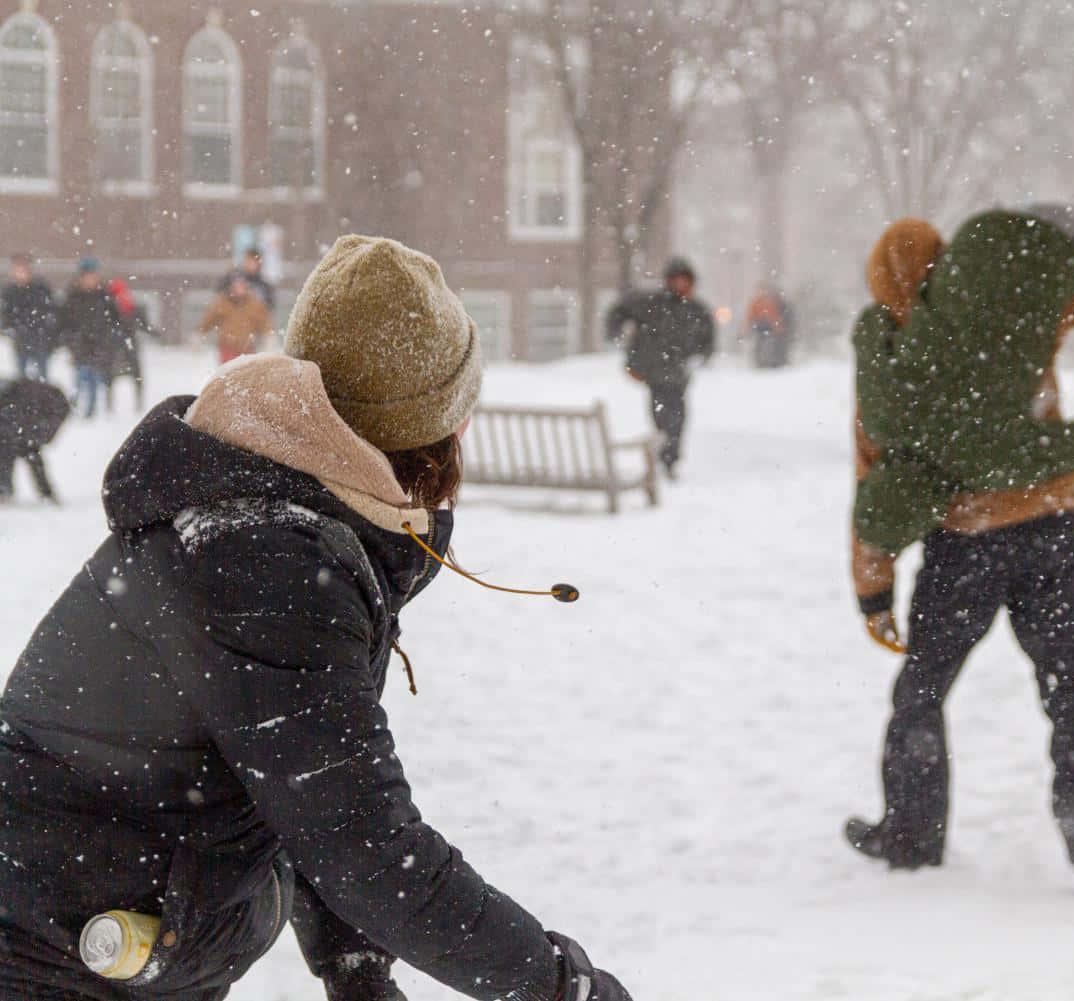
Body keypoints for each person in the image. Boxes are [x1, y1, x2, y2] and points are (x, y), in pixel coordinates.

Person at [0, 236, 631, 1001]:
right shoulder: (270, 556)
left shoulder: (295, 510)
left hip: (102, 934)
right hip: (54, 954)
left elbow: (302, 786)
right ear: (434, 423)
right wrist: (566, 987)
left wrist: (352, 964)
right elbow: (365, 849)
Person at [844, 162, 1074, 894]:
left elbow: (872, 477)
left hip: (966, 543)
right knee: (1069, 686)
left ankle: (911, 833)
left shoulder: (895, 362)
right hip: (1057, 527)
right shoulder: (1006, 316)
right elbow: (1070, 276)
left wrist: (873, 588)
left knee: (921, 690)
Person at [605, 257, 715, 479]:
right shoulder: (651, 303)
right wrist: (616, 335)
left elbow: (707, 341)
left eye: (684, 280)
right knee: (662, 415)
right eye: (676, 280)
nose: (680, 285)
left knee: (677, 416)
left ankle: (669, 456)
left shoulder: (697, 310)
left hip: (678, 375)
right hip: (655, 372)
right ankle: (665, 455)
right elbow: (620, 310)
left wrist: (698, 358)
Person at [56, 257, 123, 419]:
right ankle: (75, 406)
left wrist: (110, 337)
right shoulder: (73, 295)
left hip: (99, 344)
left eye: (93, 276)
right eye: (87, 276)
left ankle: (89, 412)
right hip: (79, 343)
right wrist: (68, 339)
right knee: (80, 376)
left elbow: (115, 318)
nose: (90, 280)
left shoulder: (104, 296)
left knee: (94, 378)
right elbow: (64, 320)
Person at [0, 376, 67, 503]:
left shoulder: (20, 396)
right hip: (22, 429)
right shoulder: (26, 391)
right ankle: (45, 493)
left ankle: (5, 490)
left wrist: (37, 436)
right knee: (29, 457)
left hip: (20, 430)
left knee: (10, 455)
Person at [2, 252, 57, 381]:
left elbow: (49, 311)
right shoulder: (10, 291)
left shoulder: (40, 288)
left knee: (42, 376)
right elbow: (7, 315)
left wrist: (46, 331)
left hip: (40, 339)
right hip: (21, 341)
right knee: (21, 379)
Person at [200, 271, 274, 364]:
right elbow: (209, 320)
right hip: (227, 348)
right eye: (236, 286)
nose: (239, 289)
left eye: (242, 285)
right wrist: (200, 333)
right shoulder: (222, 302)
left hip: (247, 348)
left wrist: (268, 336)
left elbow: (264, 322)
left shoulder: (254, 304)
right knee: (229, 374)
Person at [105, 276, 149, 412]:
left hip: (119, 346)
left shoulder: (113, 306)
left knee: (111, 377)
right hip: (125, 345)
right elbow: (142, 323)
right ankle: (137, 403)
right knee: (135, 375)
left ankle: (111, 405)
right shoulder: (127, 305)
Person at [747, 284, 793, 369]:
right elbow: (751, 316)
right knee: (761, 345)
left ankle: (768, 361)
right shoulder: (757, 302)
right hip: (761, 328)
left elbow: (773, 316)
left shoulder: (768, 302)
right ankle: (762, 362)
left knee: (768, 345)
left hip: (767, 328)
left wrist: (778, 326)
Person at [219, 245, 276, 310]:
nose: (251, 265)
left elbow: (268, 306)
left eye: (253, 262)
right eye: (249, 261)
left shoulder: (263, 286)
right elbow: (220, 293)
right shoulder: (232, 278)